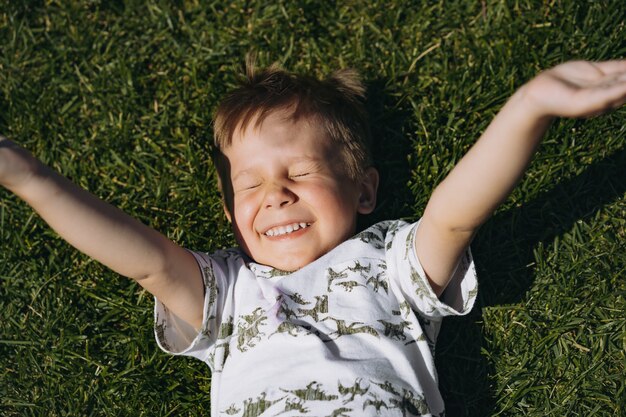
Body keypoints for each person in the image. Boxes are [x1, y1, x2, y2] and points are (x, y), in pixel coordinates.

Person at [1, 59, 625, 417]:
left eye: (300, 172)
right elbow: (146, 262)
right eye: (251, 185)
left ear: (364, 191)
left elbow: (455, 216)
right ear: (229, 211)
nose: (276, 193)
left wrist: (530, 107)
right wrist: (29, 179)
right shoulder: (228, 290)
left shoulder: (389, 264)